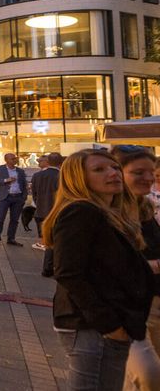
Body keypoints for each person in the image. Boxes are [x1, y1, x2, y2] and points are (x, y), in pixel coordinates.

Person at [45, 149, 154, 391]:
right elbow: (68, 272)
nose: (113, 173)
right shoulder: (80, 211)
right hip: (90, 326)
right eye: (99, 169)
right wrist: (109, 325)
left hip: (107, 323)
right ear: (78, 179)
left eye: (114, 167)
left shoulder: (110, 214)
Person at [112, 146, 160, 391]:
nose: (149, 178)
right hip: (129, 308)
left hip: (153, 300)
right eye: (139, 172)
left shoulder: (145, 208)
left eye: (151, 172)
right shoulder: (104, 213)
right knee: (149, 373)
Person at [0, 152, 28, 246]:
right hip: (4, 197)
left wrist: (23, 197)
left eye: (15, 158)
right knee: (0, 217)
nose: (15, 160)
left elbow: (24, 184)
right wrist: (6, 180)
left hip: (18, 197)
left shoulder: (20, 171)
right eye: (12, 159)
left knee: (14, 219)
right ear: (6, 160)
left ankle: (11, 238)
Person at [32, 152, 63, 251]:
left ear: (48, 162)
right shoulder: (61, 175)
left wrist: (38, 203)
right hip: (56, 208)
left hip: (41, 208)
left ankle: (44, 243)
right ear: (61, 162)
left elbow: (34, 193)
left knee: (43, 226)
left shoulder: (37, 175)